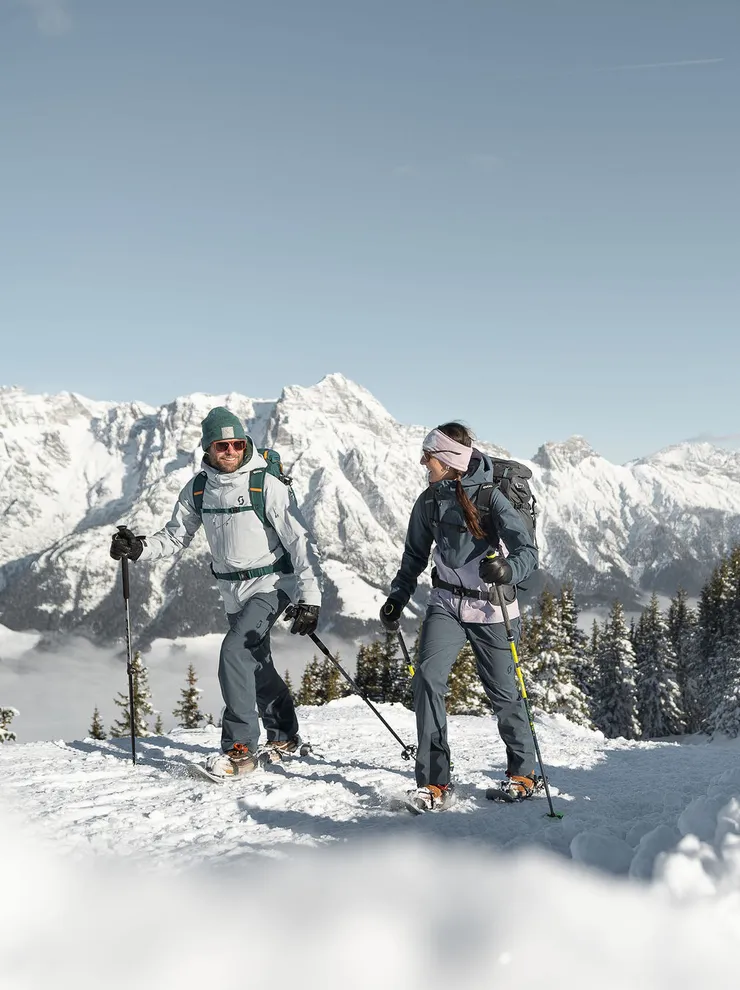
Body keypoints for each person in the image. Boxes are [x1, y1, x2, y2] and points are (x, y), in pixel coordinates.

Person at [109, 406, 322, 778]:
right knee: (254, 663)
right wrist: (139, 548)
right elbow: (176, 536)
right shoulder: (198, 488)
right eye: (222, 445)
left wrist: (310, 598)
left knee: (235, 650)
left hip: (272, 584)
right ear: (207, 447)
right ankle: (285, 734)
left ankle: (239, 749)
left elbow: (300, 542)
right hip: (231, 590)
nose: (231, 451)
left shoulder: (266, 485)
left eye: (238, 444)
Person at [380, 422, 538, 810]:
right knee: (427, 680)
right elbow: (414, 556)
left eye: (428, 456)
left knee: (504, 695)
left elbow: (527, 552)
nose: (423, 462)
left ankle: (524, 773)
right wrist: (398, 597)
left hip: (492, 606)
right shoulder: (429, 500)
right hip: (446, 603)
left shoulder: (491, 497)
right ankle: (435, 783)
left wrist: (507, 571)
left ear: (448, 460)